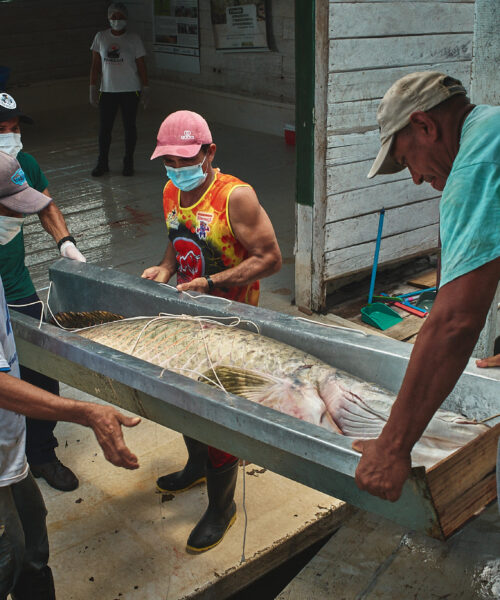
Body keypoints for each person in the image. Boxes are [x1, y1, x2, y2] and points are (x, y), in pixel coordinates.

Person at [0, 151, 141, 600]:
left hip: (10, 454)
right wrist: (86, 411)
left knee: (33, 546)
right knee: (10, 556)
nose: (15, 220)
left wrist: (66, 243)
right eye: (8, 209)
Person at [354, 71, 500, 502]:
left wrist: (392, 447)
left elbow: (455, 321)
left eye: (404, 161)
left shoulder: (478, 162)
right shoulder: (491, 125)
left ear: (424, 126)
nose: (415, 178)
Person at [143, 110, 282, 552]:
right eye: (171, 161)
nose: (179, 170)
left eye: (187, 160)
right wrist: (166, 266)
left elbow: (271, 258)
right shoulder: (170, 190)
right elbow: (176, 232)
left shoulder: (234, 197)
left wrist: (215, 283)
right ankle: (196, 465)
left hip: (233, 325)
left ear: (210, 152)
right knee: (186, 399)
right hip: (188, 318)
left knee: (221, 414)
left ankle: (222, 507)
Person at [0, 94, 87, 492]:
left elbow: (44, 205)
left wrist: (65, 243)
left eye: (15, 128)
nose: (11, 138)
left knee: (40, 368)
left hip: (16, 289)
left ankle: (42, 453)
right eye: (2, 130)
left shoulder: (22, 167)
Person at [90, 2, 149, 177]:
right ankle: (102, 163)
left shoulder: (134, 38)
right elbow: (95, 65)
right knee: (105, 129)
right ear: (109, 18)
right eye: (113, 17)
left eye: (120, 17)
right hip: (108, 90)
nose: (117, 20)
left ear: (126, 18)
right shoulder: (101, 37)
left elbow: (141, 65)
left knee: (129, 127)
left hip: (130, 90)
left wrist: (146, 87)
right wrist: (92, 87)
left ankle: (128, 161)